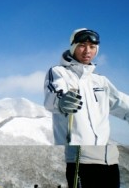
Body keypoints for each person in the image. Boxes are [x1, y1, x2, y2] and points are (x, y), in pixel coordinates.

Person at [44, 28, 129, 187]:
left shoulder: (101, 81)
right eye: (82, 45)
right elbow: (52, 95)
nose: (87, 51)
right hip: (79, 160)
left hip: (109, 160)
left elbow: (123, 104)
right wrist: (61, 100)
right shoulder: (59, 72)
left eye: (92, 47)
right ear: (73, 47)